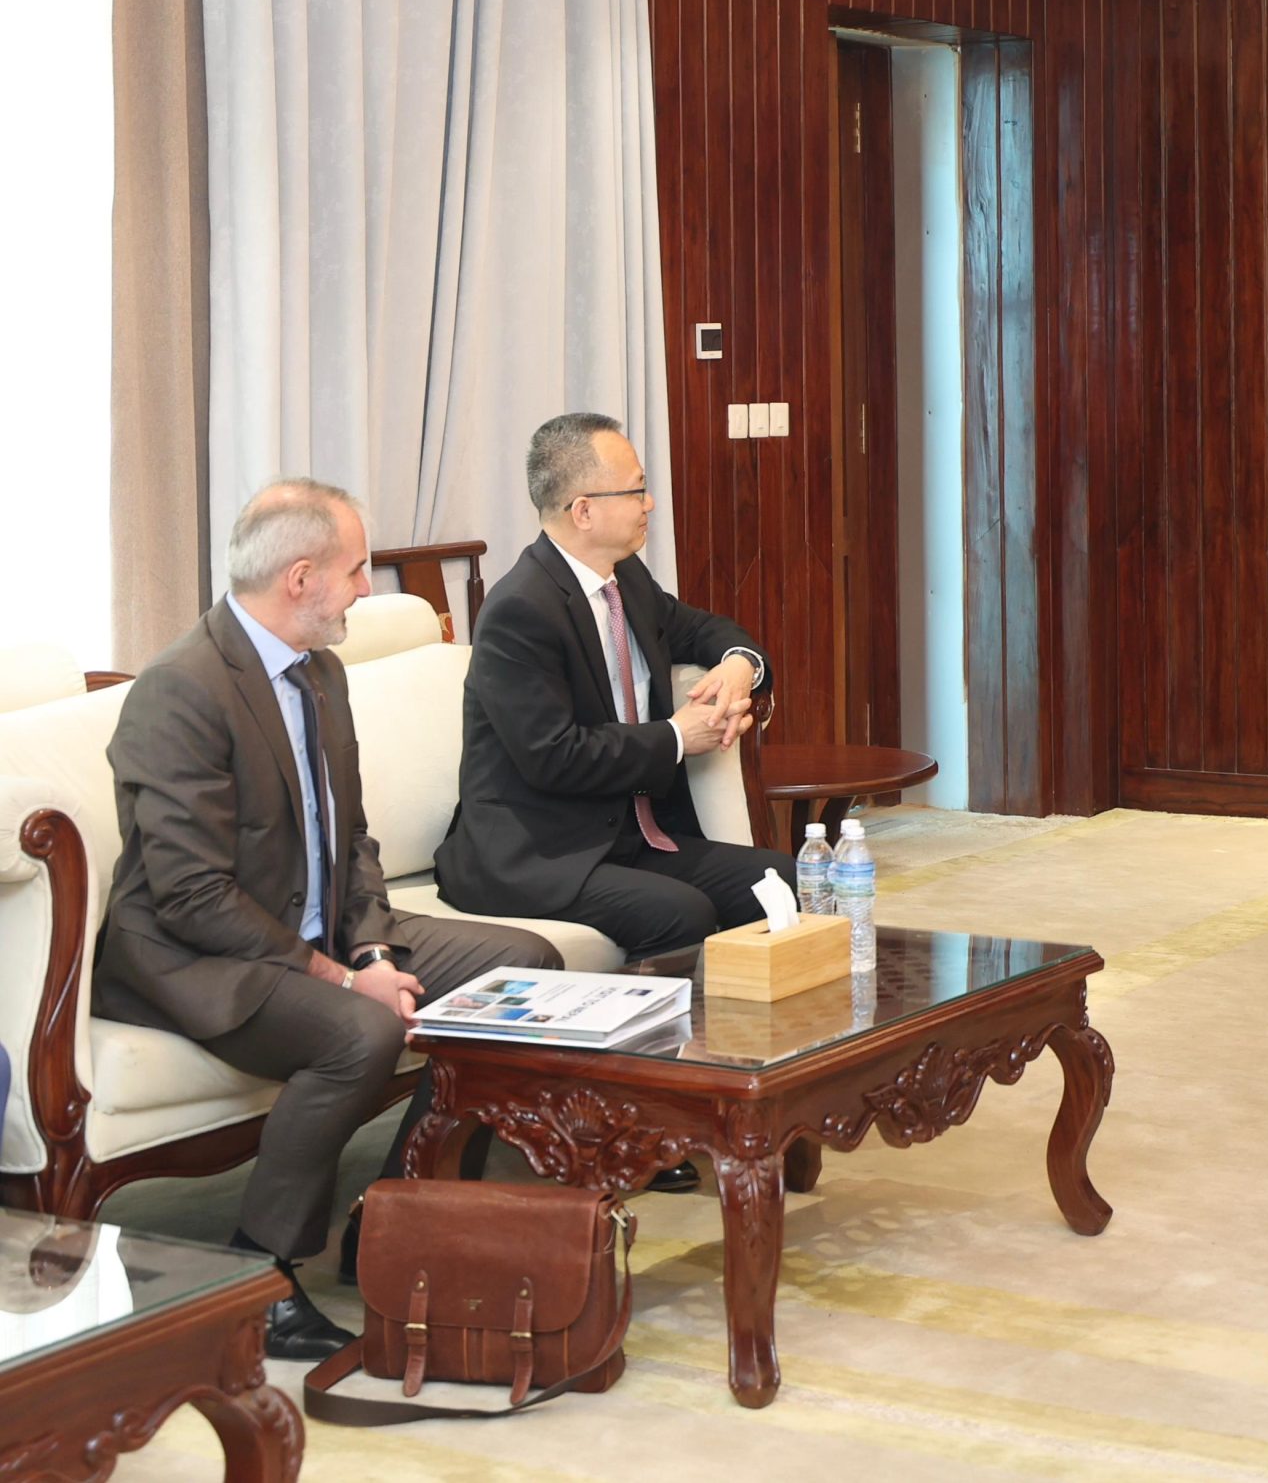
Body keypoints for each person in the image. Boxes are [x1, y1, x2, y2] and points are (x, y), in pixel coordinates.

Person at [94, 481, 562, 1360]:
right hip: (194, 955)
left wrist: (373, 946)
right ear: (300, 577)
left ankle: (392, 1218)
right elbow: (192, 896)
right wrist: (349, 979)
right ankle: (257, 1277)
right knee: (362, 1031)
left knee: (524, 964)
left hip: (310, 931)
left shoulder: (319, 670)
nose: (364, 589)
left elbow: (350, 839)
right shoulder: (181, 690)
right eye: (354, 571)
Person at [435, 413, 790, 967]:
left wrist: (740, 664)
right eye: (636, 490)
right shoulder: (520, 610)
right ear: (584, 511)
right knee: (681, 913)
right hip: (540, 852)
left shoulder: (625, 580)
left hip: (629, 836)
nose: (650, 504)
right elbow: (553, 756)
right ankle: (658, 1027)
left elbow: (701, 629)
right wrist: (677, 737)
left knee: (781, 879)